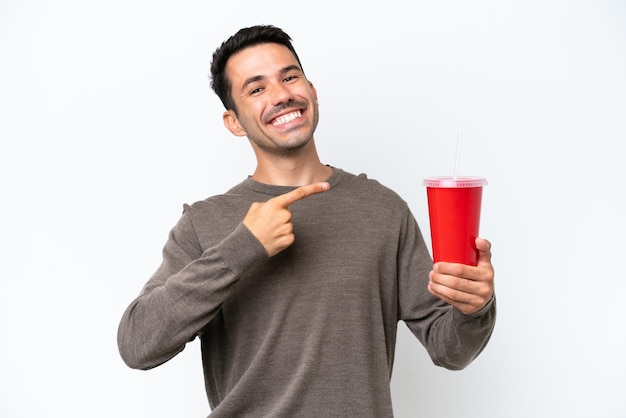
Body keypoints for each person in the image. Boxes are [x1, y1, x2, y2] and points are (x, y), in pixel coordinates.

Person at [117, 24, 496, 417]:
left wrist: (475, 307)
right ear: (234, 122)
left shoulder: (383, 209)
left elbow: (450, 349)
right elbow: (138, 344)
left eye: (290, 77)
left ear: (311, 91)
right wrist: (243, 246)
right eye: (257, 88)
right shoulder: (204, 223)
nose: (282, 95)